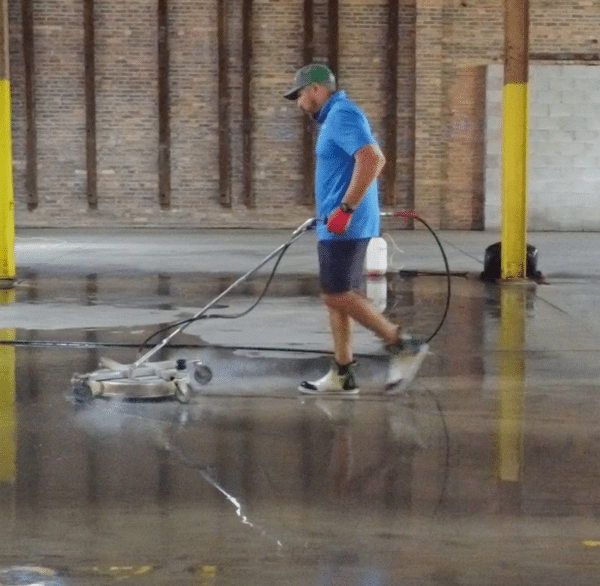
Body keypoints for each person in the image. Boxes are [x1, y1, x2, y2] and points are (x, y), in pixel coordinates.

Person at [284, 62, 428, 395]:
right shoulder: (334, 118)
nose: (298, 102)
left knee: (336, 293)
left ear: (316, 90)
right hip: (334, 225)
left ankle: (401, 343)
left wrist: (345, 209)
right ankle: (343, 373)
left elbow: (373, 159)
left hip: (345, 225)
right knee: (335, 298)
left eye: (300, 94)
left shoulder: (343, 115)